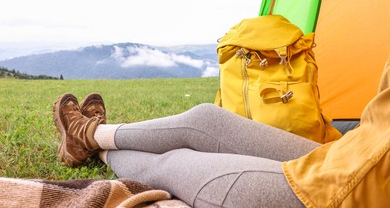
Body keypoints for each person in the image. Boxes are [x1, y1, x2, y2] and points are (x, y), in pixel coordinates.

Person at [53, 56, 390, 207]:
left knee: (172, 164)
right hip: (354, 152)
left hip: (345, 196)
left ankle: (95, 147)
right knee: (205, 119)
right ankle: (88, 136)